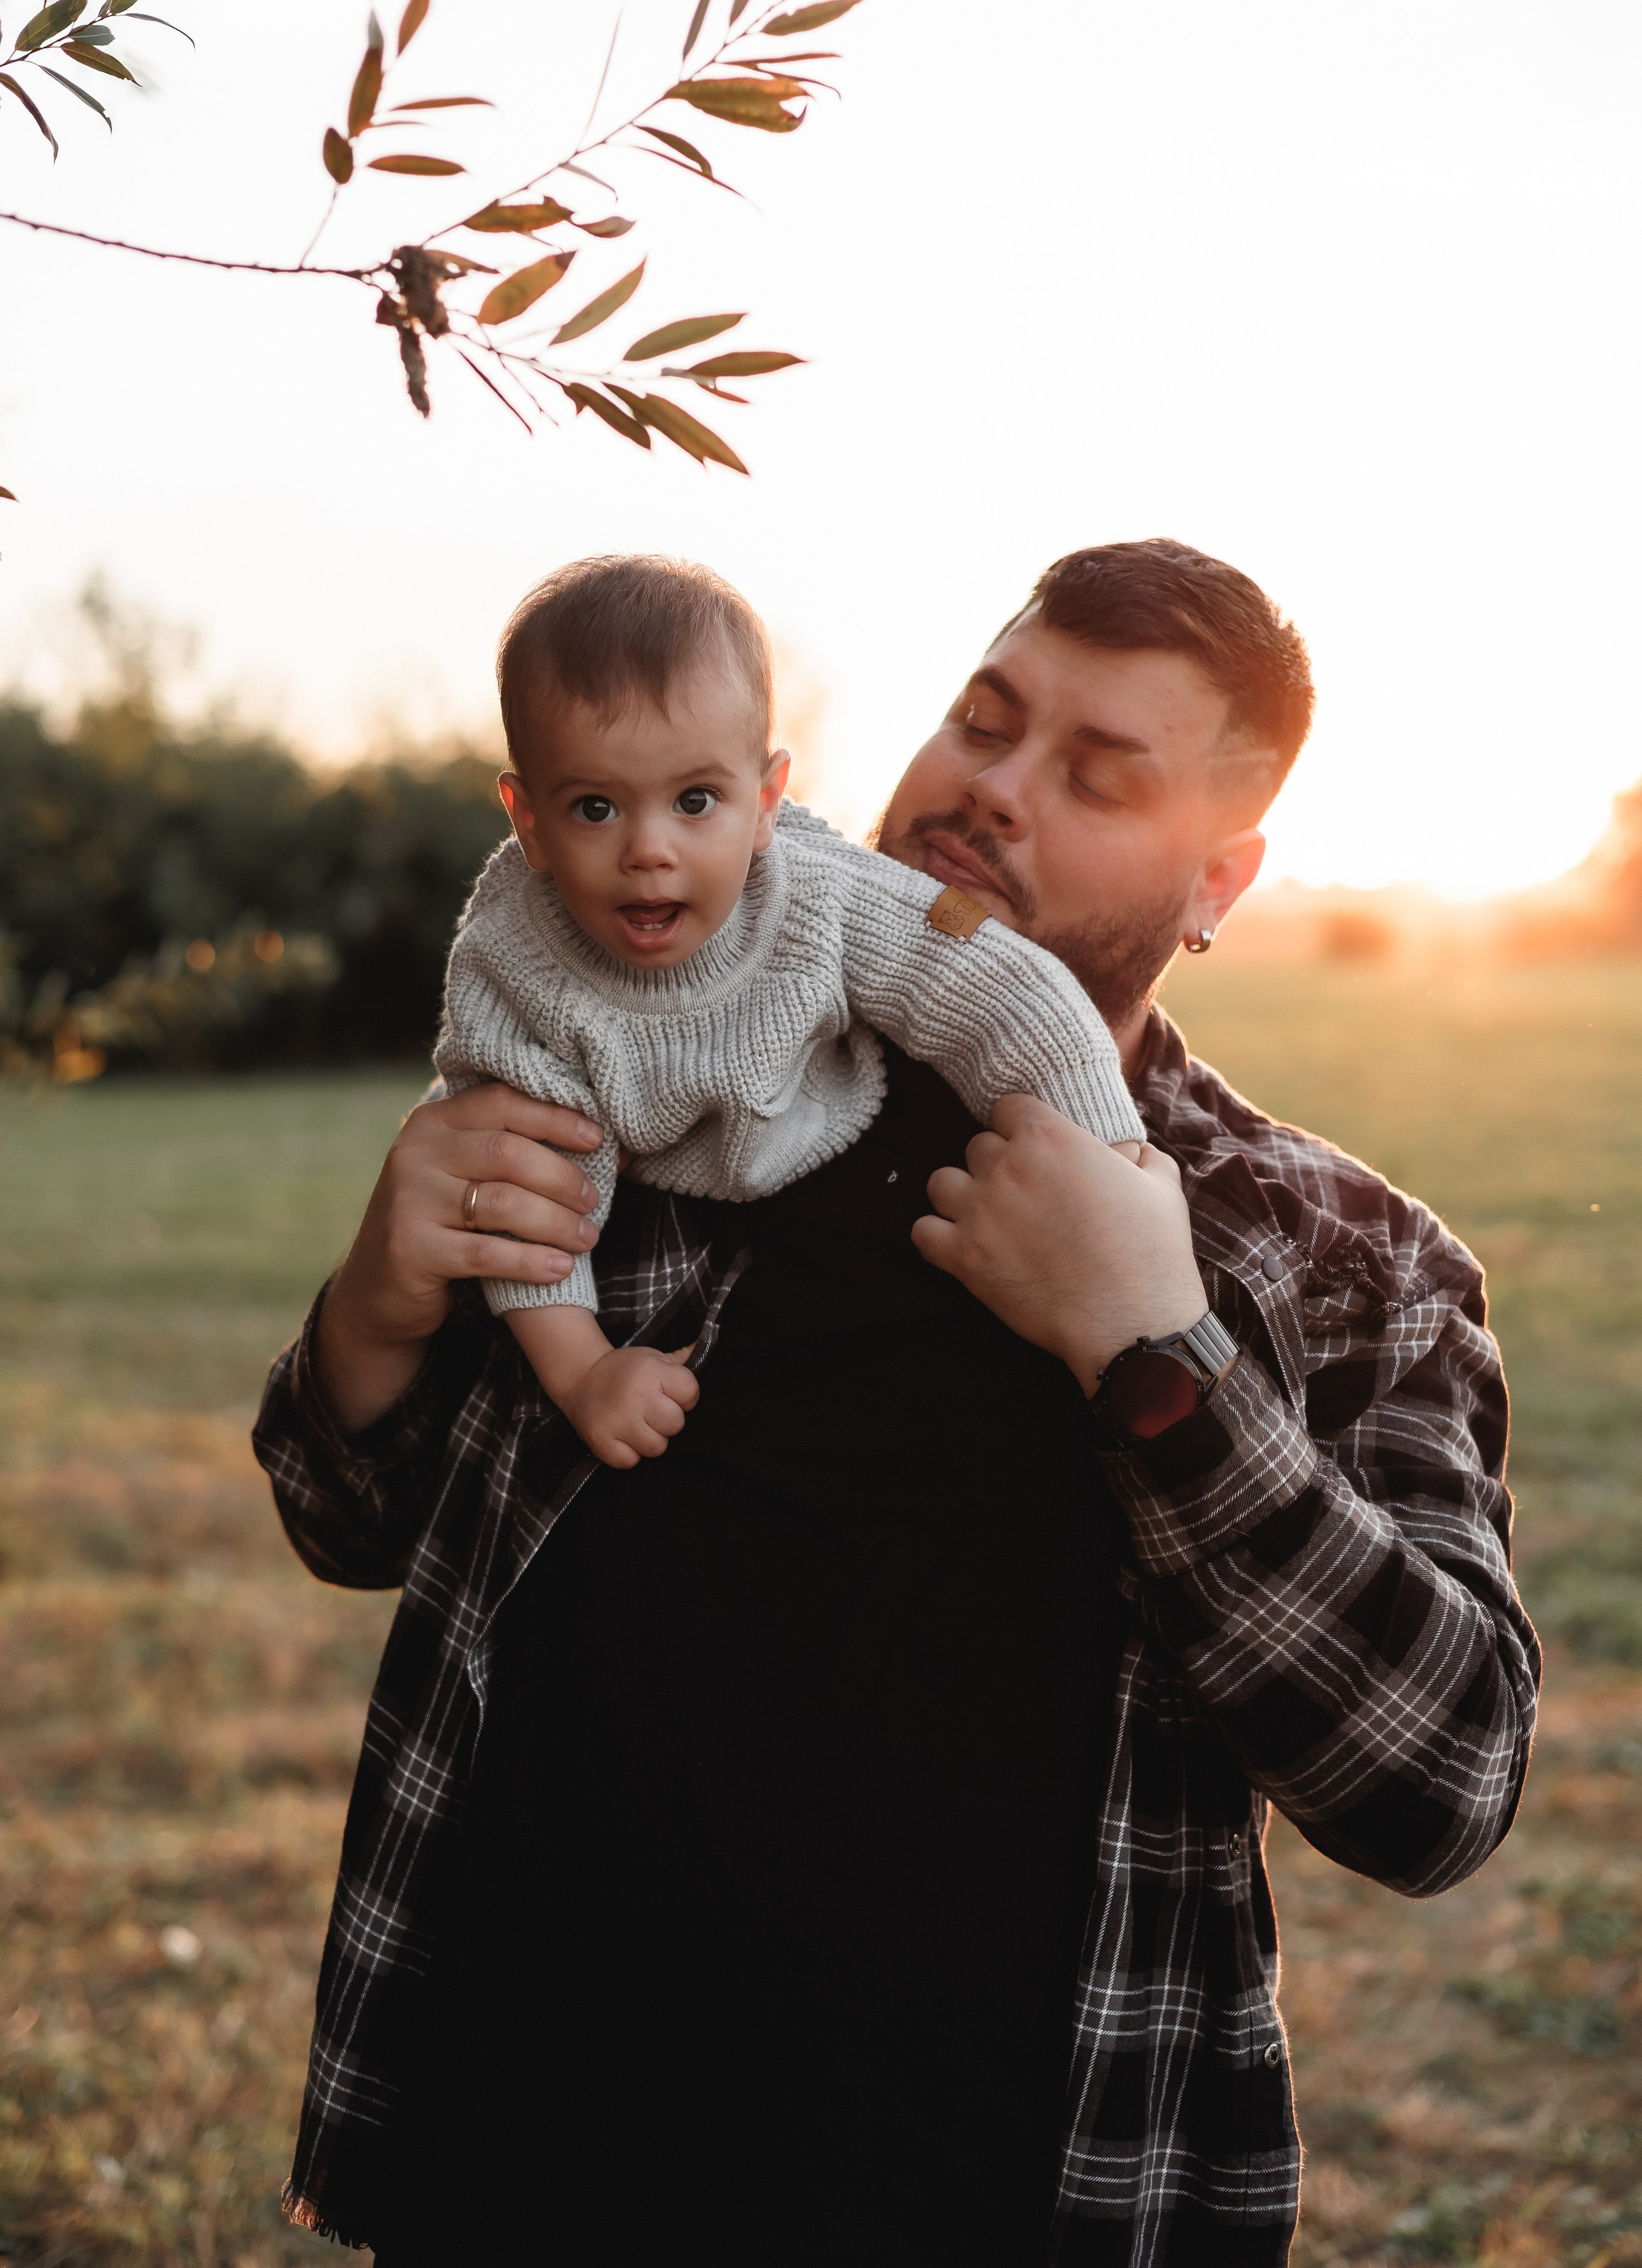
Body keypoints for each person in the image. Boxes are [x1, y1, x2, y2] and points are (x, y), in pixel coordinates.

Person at [256, 538, 1539, 2268]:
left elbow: (1437, 1783)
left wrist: (1154, 1345)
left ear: (1219, 879)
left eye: (1097, 774)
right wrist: (378, 1297)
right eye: (984, 720)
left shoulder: (1339, 1259)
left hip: (993, 2183)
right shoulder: (649, 1084)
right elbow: (349, 1521)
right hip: (533, 2135)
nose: (994, 787)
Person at [436, 552, 1144, 1466]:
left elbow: (995, 985)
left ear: (767, 801)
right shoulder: (516, 966)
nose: (649, 849)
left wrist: (1109, 1156)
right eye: (595, 808)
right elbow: (526, 1203)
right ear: (528, 820)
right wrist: (582, 1372)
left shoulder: (818, 892)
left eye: (697, 800)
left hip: (822, 1121)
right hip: (634, 1182)